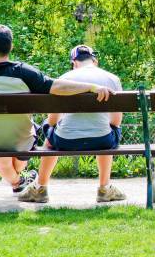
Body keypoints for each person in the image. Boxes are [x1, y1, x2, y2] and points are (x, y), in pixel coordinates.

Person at [0, 25, 113, 194]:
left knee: (1, 157)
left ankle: (17, 181)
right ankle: (20, 176)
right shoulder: (24, 73)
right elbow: (57, 86)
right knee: (24, 139)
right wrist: (91, 87)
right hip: (22, 141)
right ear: (11, 47)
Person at [18, 45, 125, 203]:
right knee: (108, 131)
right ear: (94, 60)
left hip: (65, 140)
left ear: (74, 62)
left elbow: (53, 120)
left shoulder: (64, 79)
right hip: (102, 140)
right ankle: (104, 189)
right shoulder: (112, 79)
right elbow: (116, 121)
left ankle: (40, 188)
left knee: (50, 135)